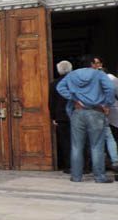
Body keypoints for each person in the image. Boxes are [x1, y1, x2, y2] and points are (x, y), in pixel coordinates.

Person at [56, 55, 115, 183]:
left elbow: (60, 87)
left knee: (76, 146)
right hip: (96, 112)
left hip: (78, 112)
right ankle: (99, 177)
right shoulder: (98, 74)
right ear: (92, 64)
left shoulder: (72, 75)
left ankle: (76, 176)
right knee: (96, 146)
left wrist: (74, 98)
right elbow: (110, 88)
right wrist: (106, 103)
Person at [49, 60, 73, 173]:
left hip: (61, 116)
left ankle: (68, 166)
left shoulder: (54, 83)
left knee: (65, 142)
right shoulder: (75, 81)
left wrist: (53, 117)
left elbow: (51, 102)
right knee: (79, 140)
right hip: (75, 114)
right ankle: (83, 166)